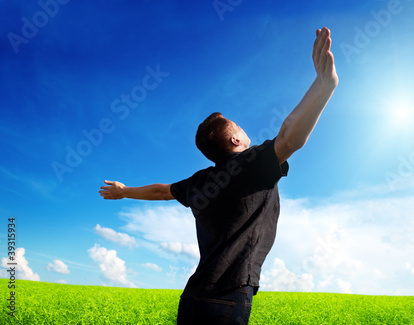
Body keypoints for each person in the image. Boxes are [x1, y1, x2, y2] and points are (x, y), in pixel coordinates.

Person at [99, 27, 338, 325]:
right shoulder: (252, 163)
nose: (242, 127)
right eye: (237, 125)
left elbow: (161, 191)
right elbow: (289, 137)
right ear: (234, 140)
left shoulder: (199, 181)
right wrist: (324, 85)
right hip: (227, 297)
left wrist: (125, 191)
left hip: (192, 298)